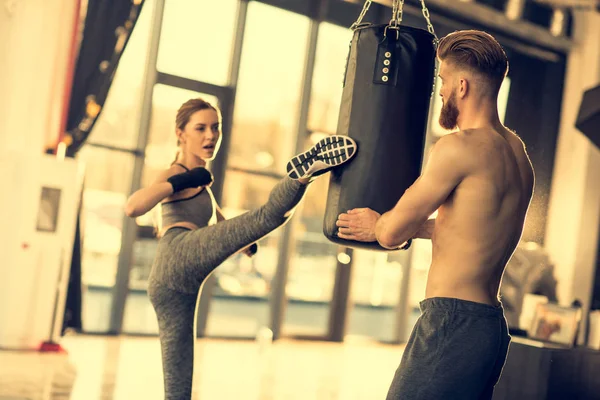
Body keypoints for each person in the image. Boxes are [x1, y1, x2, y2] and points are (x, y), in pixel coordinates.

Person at [335, 30, 534, 400]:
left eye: (442, 80)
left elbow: (391, 233)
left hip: (451, 321)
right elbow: (474, 228)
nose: (439, 91)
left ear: (461, 85)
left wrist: (378, 223)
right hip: (489, 326)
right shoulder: (517, 152)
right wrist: (416, 227)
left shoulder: (458, 148)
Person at [124, 98, 357, 400]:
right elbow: (133, 207)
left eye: (215, 128)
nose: (210, 135)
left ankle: (304, 173)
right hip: (178, 256)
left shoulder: (203, 182)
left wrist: (244, 244)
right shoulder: (176, 172)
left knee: (178, 383)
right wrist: (180, 180)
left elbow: (218, 219)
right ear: (181, 133)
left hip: (173, 283)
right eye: (200, 128)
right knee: (268, 215)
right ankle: (303, 173)